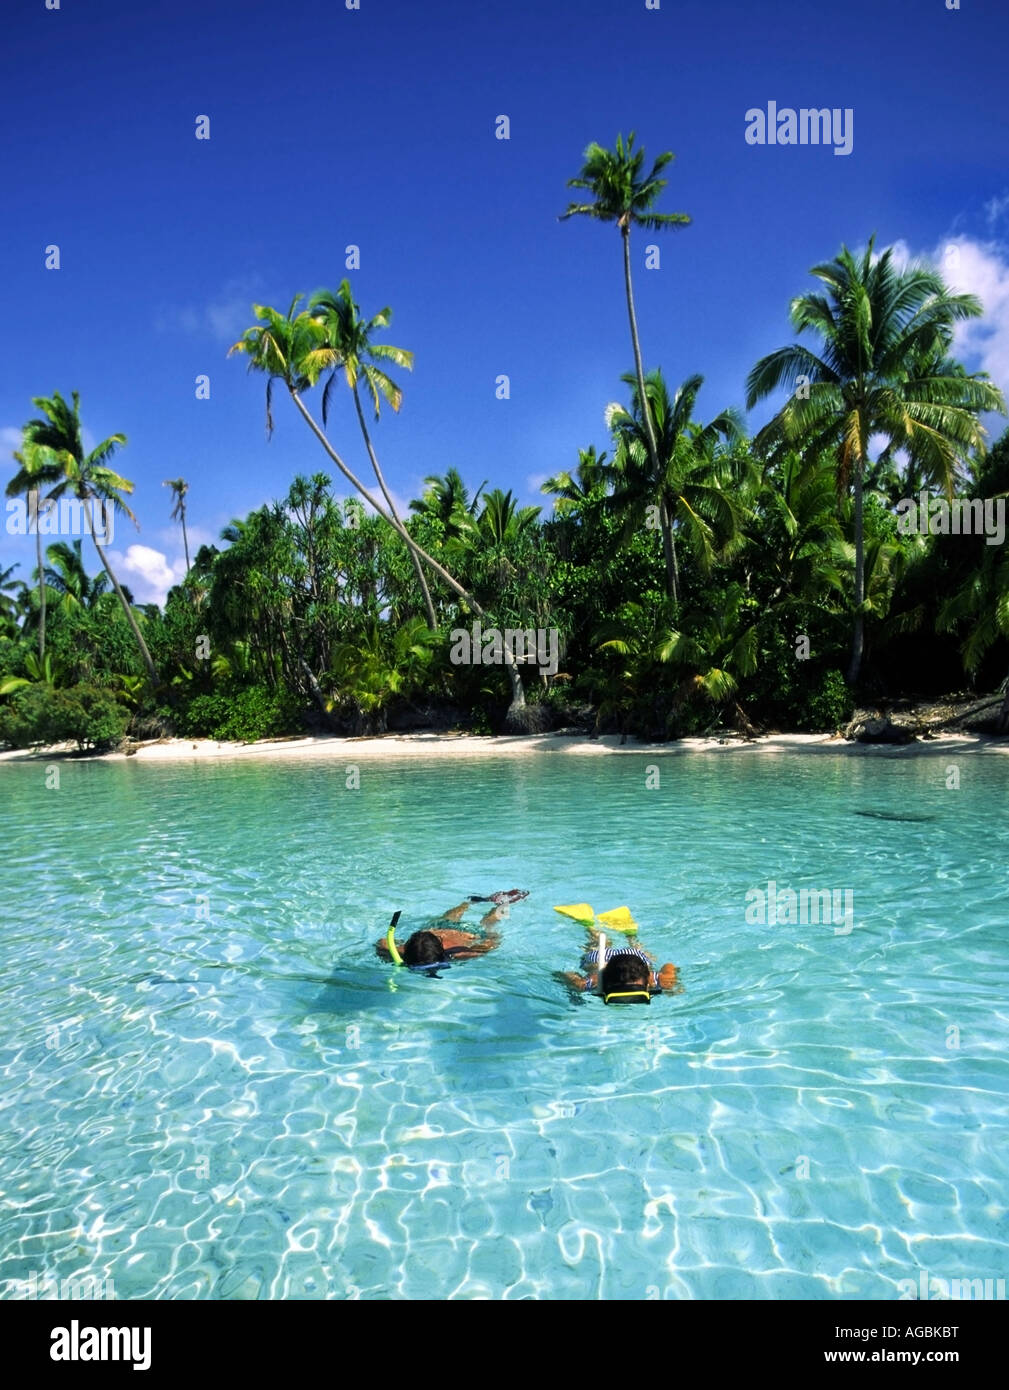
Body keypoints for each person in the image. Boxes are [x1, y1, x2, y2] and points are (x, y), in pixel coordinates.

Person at [376, 892, 528, 970]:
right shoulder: (401, 950)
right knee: (451, 917)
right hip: (440, 927)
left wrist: (489, 934)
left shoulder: (461, 954)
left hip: (465, 932)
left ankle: (503, 902)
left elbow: (491, 944)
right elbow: (382, 943)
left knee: (489, 923)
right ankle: (470, 902)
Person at [558, 928, 678, 1003]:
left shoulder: (658, 979)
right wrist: (575, 983)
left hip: (632, 957)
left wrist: (576, 982)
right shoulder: (595, 981)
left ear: (647, 981)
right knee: (597, 943)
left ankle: (631, 935)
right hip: (602, 959)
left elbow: (669, 966)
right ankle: (591, 927)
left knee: (641, 952)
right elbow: (669, 966)